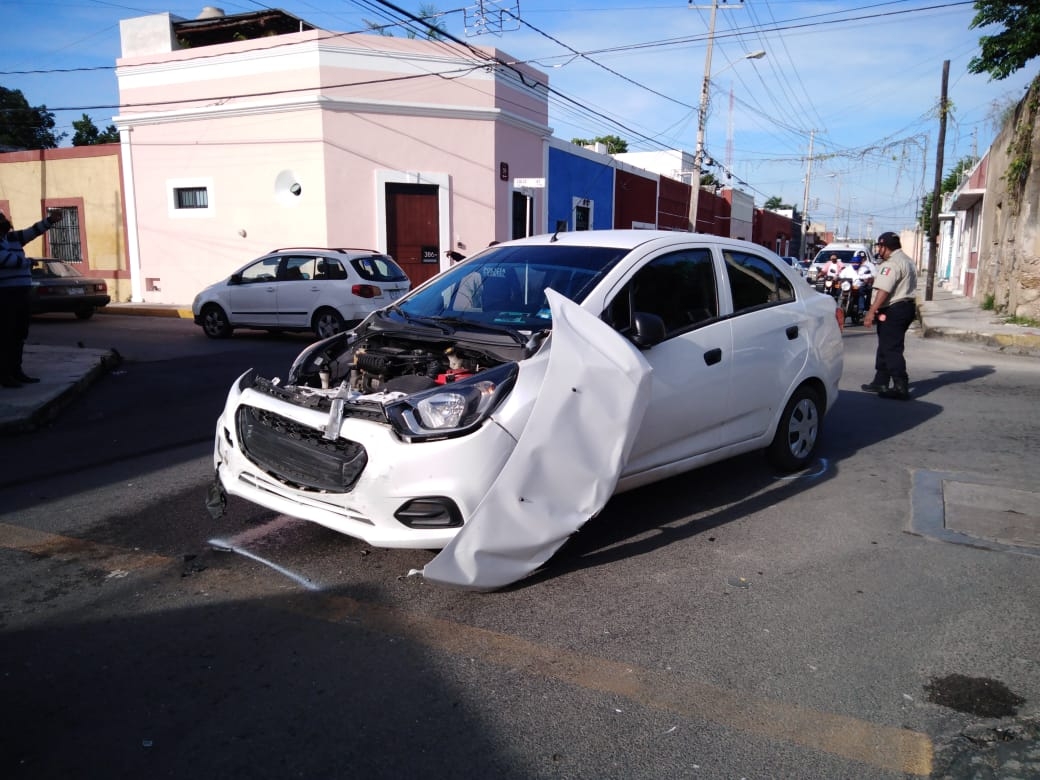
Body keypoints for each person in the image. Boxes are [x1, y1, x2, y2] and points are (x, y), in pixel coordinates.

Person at [0, 209, 63, 388]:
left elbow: (32, 231)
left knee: (20, 333)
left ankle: (16, 371)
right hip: (5, 294)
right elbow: (5, 260)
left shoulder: (11, 238)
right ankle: (5, 375)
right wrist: (28, 262)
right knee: (7, 334)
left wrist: (50, 221)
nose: (4, 222)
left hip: (21, 292)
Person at [862, 231, 917, 400]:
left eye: (879, 246)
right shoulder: (907, 260)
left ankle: (901, 385)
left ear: (885, 247)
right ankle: (880, 381)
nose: (878, 250)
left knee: (891, 348)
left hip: (894, 309)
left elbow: (884, 291)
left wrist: (871, 312)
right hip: (906, 307)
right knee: (886, 345)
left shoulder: (891, 264)